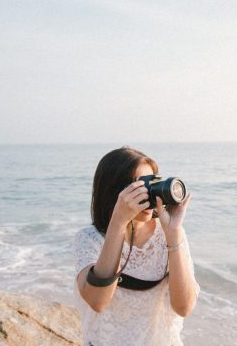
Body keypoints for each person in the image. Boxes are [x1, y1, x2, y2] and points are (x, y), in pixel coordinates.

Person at [73, 147, 200, 346]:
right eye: (141, 186)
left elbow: (183, 307)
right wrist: (118, 222)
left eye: (153, 183)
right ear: (114, 191)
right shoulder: (89, 239)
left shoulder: (168, 235)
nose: (150, 194)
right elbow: (98, 301)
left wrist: (174, 235)